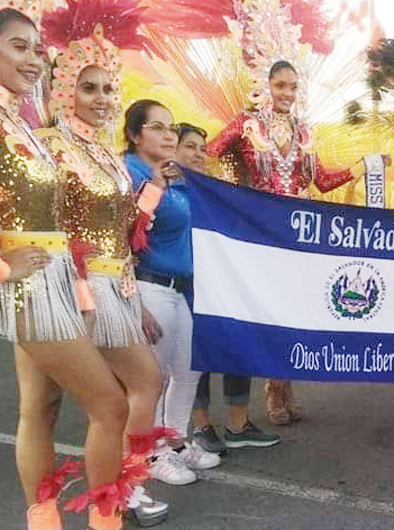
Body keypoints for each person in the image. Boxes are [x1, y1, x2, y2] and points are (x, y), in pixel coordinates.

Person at [38, 8, 176, 525]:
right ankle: (77, 505)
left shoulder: (107, 157)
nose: (100, 99)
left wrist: (157, 185)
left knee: (140, 386)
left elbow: (126, 232)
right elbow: (59, 230)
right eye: (89, 88)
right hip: (76, 286)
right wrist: (82, 298)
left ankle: (122, 489)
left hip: (117, 283)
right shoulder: (52, 147)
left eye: (107, 89)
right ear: (65, 90)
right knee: (52, 406)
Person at [0, 6, 133, 530]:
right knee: (110, 405)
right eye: (18, 47)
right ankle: (106, 522)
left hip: (53, 279)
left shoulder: (19, 122)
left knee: (41, 409)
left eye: (37, 50)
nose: (34, 60)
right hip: (28, 286)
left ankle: (44, 522)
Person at [207, 60, 369, 426]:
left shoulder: (304, 132)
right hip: (260, 235)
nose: (287, 93)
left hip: (298, 235)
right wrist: (234, 198)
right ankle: (273, 388)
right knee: (270, 313)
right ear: (266, 86)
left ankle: (284, 385)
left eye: (293, 86)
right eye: (280, 85)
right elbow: (209, 156)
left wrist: (362, 166)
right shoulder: (245, 124)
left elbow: (322, 182)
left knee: (293, 313)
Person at [123, 100, 223, 485]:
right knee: (153, 380)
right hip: (150, 286)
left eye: (170, 129)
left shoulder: (172, 178)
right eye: (158, 128)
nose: (167, 135)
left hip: (179, 291)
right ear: (134, 135)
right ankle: (150, 455)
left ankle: (176, 442)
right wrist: (133, 300)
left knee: (188, 370)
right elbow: (128, 229)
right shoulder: (131, 171)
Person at [174, 122, 279, 452]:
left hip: (222, 283)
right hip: (184, 287)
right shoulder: (161, 188)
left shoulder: (212, 190)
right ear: (172, 148)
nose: (198, 154)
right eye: (189, 146)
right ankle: (201, 426)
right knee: (197, 356)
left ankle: (238, 423)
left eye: (201, 149)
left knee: (238, 345)